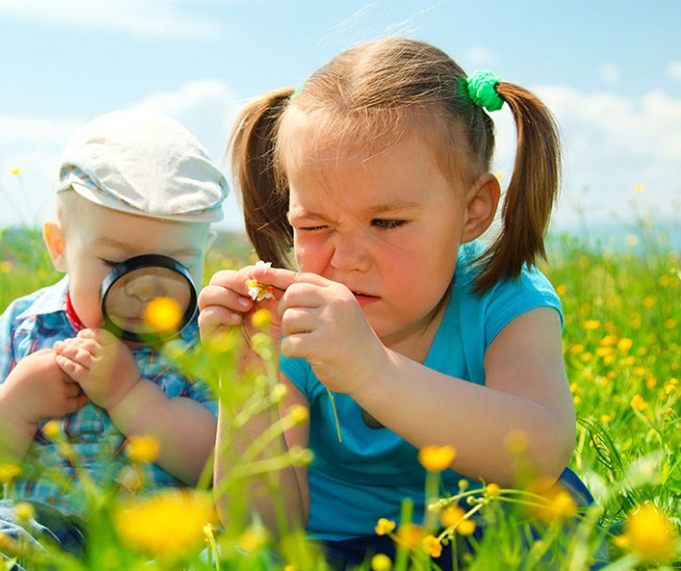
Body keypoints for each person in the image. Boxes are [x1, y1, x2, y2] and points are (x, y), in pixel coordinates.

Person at [198, 38, 608, 569]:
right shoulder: (291, 323)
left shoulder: (504, 296)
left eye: (387, 222)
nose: (345, 259)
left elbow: (541, 453)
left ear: (473, 210)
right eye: (314, 226)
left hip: (479, 534)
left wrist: (371, 371)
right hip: (333, 546)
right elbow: (262, 528)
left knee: (554, 520)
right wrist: (244, 383)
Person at [0, 108, 229, 571]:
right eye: (116, 263)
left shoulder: (204, 337)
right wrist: (16, 402)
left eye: (177, 264)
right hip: (45, 535)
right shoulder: (26, 326)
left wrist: (132, 397)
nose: (146, 286)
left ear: (204, 250)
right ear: (59, 246)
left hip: (165, 542)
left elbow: (217, 466)